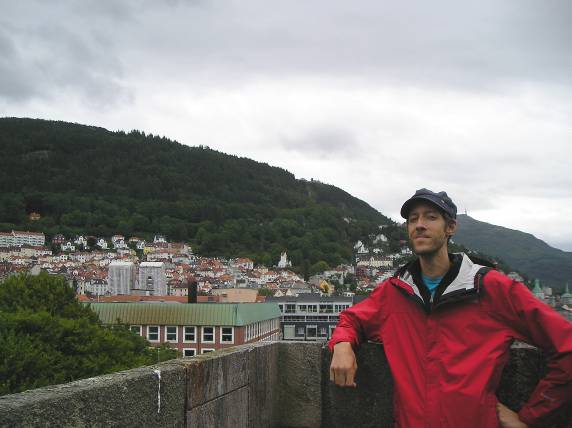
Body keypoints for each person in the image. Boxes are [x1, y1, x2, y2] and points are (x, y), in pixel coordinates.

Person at [329, 188, 572, 427]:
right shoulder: (394, 293)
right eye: (413, 219)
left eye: (430, 217)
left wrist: (531, 415)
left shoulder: (491, 288)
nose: (420, 225)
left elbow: (567, 345)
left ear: (451, 227)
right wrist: (342, 345)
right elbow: (352, 319)